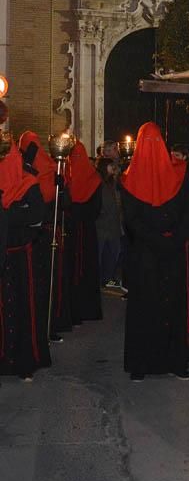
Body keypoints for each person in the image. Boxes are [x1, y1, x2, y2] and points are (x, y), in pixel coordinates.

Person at [120, 122, 189, 381]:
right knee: (145, 307)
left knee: (175, 305)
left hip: (175, 250)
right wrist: (158, 240)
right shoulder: (128, 178)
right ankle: (141, 363)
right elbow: (131, 219)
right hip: (146, 253)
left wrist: (176, 238)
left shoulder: (182, 174)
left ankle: (177, 360)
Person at [0, 141, 47, 380]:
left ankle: (22, 360)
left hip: (19, 256)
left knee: (21, 306)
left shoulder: (28, 182)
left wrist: (9, 214)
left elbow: (37, 214)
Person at [19, 131, 70, 342]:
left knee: (44, 284)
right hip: (36, 235)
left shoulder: (48, 168)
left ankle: (46, 327)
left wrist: (61, 188)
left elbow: (60, 203)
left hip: (43, 232)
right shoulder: (26, 170)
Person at [65, 141, 103, 323]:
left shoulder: (90, 179)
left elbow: (95, 209)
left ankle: (78, 311)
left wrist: (74, 213)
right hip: (82, 231)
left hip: (76, 231)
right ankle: (82, 310)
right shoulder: (90, 177)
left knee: (77, 269)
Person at [95, 158, 122, 288]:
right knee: (101, 254)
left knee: (112, 253)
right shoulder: (99, 183)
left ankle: (106, 278)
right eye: (111, 166)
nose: (113, 168)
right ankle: (100, 279)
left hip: (113, 225)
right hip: (102, 225)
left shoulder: (112, 182)